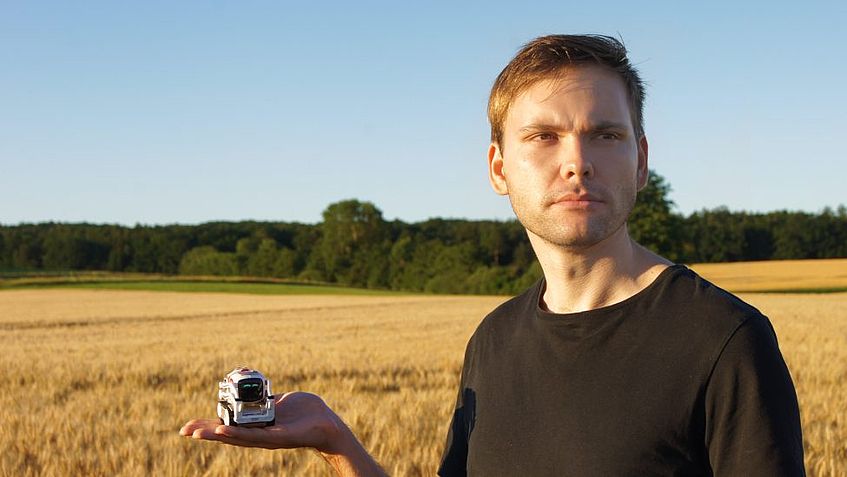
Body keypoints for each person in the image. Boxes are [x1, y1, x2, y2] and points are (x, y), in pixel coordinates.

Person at [180, 34, 805, 476]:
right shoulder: (493, 341)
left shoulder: (724, 342)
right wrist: (338, 445)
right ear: (499, 167)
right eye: (544, 136)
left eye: (605, 135)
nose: (577, 161)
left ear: (641, 160)